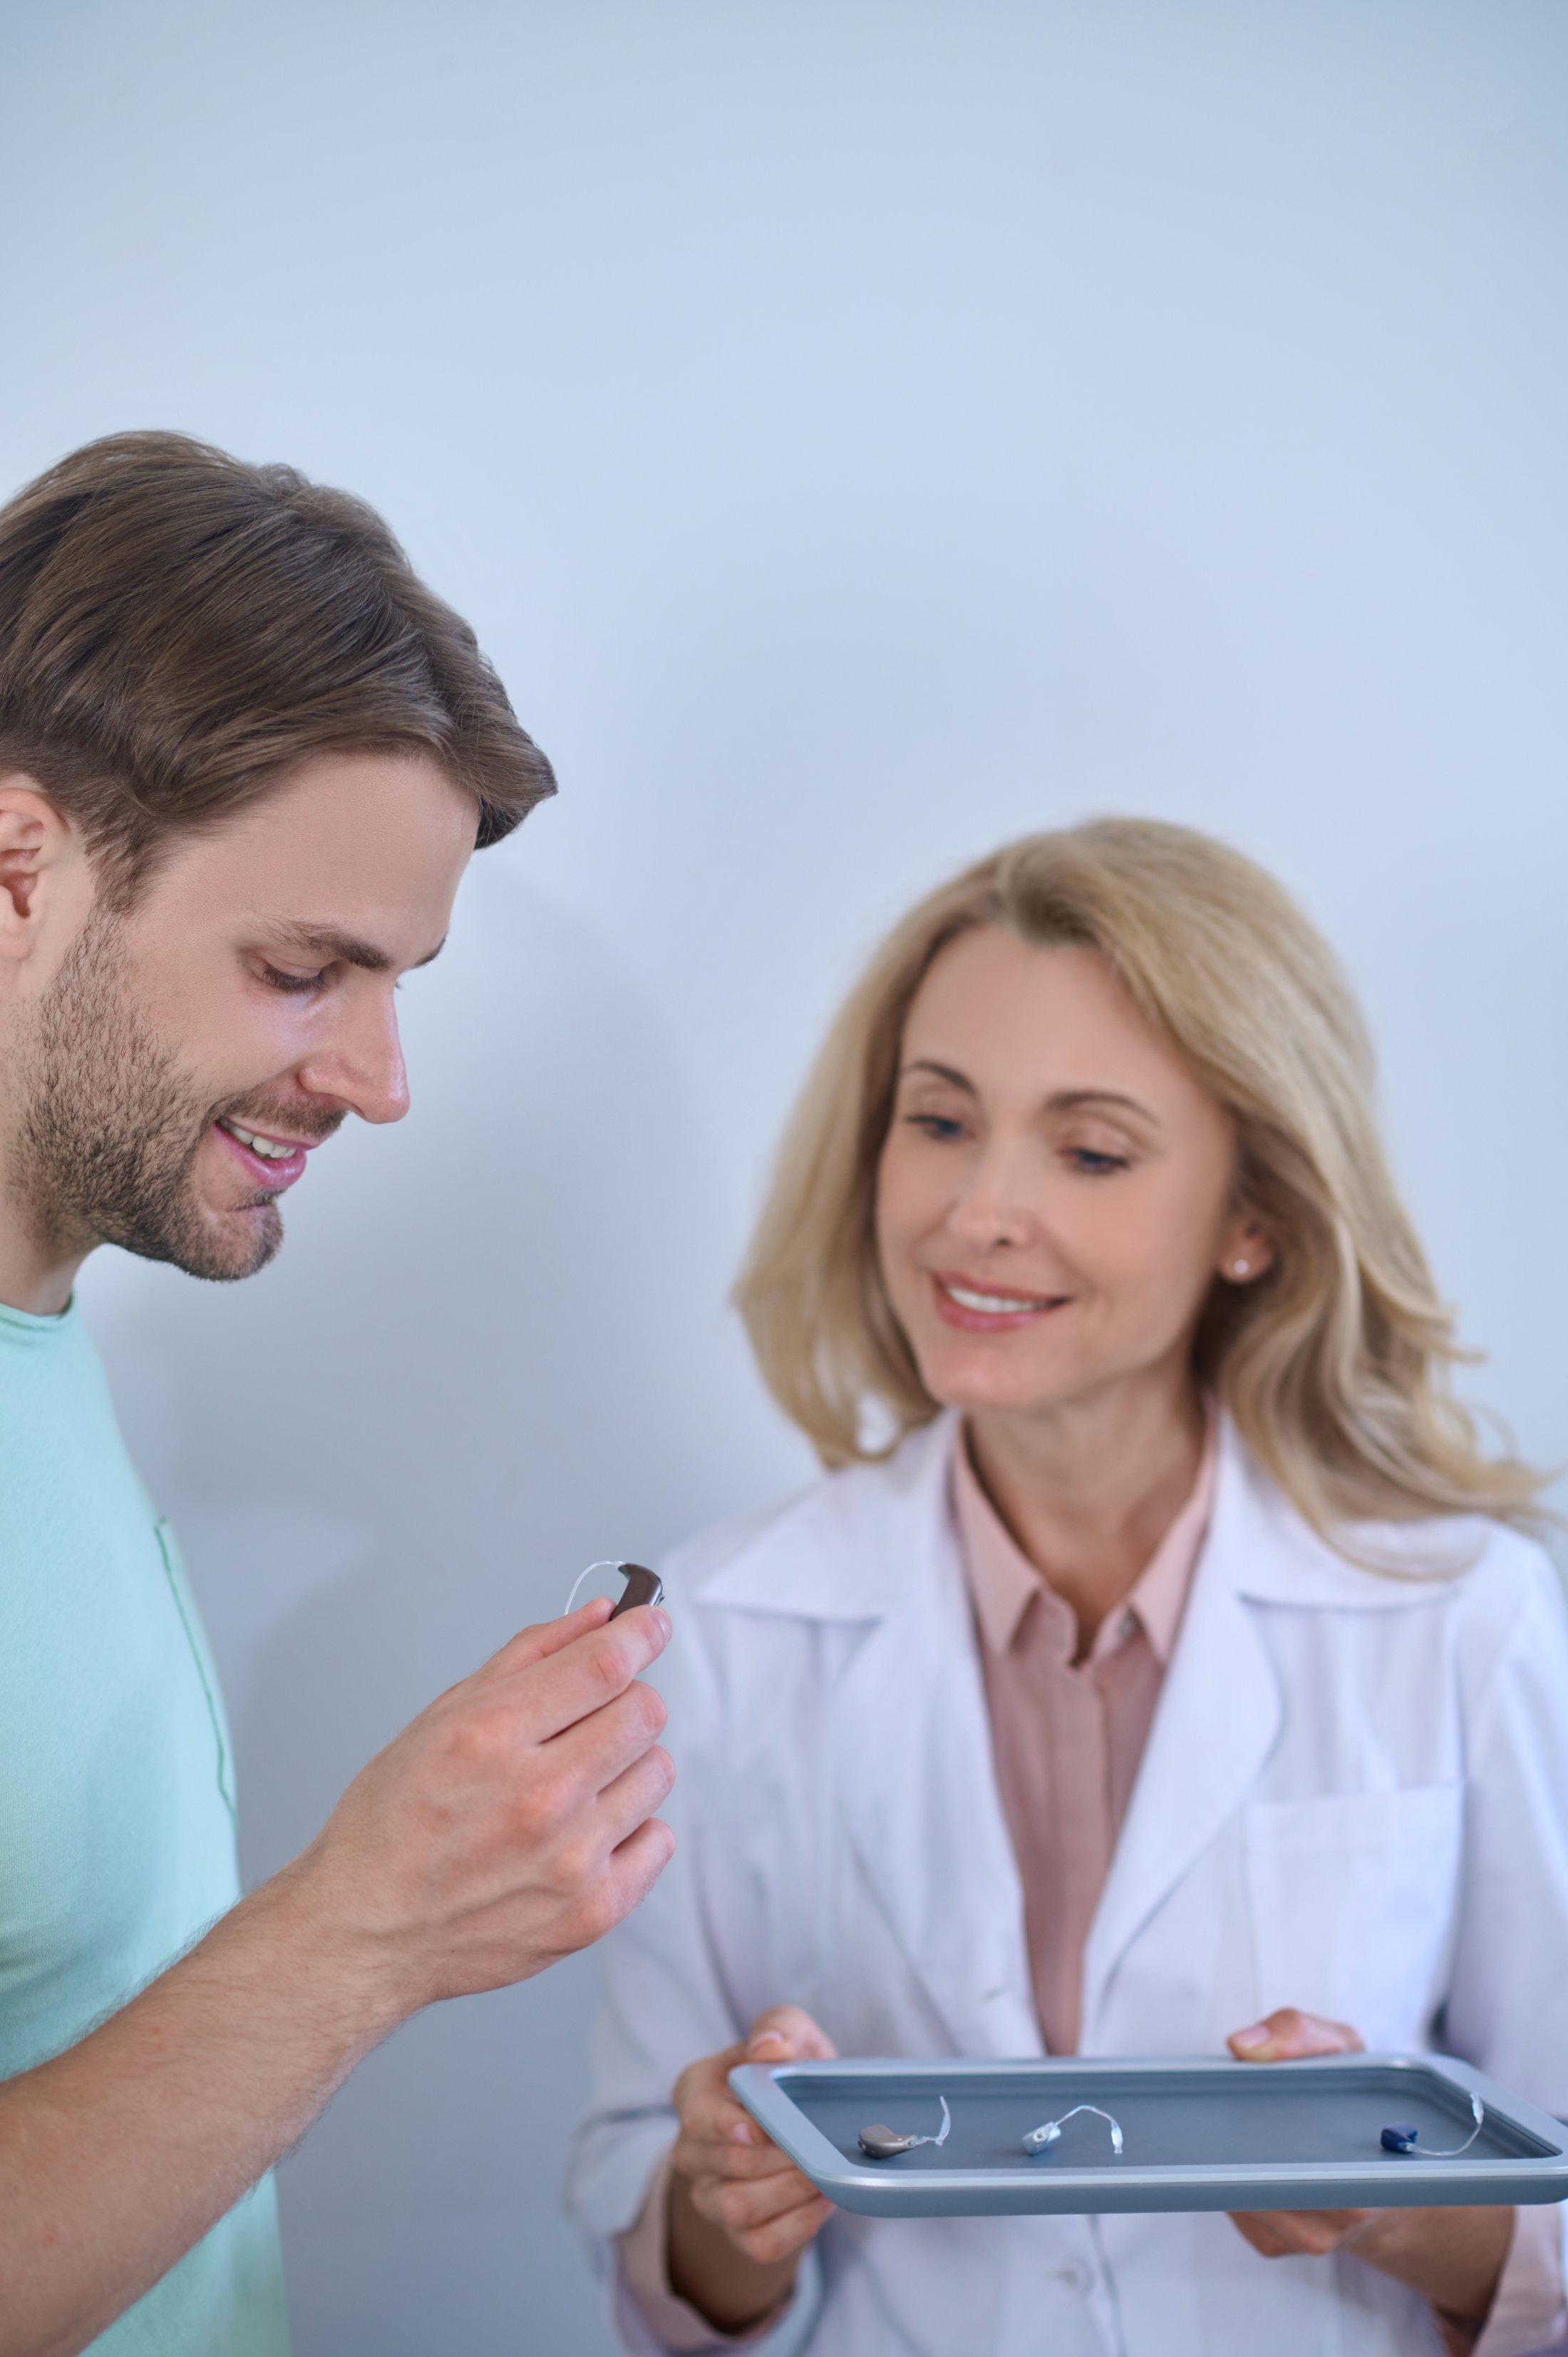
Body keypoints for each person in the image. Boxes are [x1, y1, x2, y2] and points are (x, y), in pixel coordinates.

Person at [568, 818, 1568, 2357]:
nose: (975, 1213)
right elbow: (646, 2206)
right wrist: (719, 2206)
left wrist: (1393, 2205)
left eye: (1089, 1149)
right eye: (939, 1122)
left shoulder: (1463, 1620)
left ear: (1254, 1217)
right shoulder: (722, 1632)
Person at [0, 433, 676, 2357]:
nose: (379, 1078)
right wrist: (370, 1926)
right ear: (20, 865)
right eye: (307, 970)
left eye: (400, 982)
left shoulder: (48, 1343)